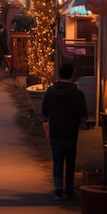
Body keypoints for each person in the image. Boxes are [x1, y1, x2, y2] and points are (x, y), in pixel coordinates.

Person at [41, 62, 88, 200]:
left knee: (57, 161)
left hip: (55, 132)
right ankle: (69, 190)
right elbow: (83, 116)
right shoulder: (78, 94)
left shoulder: (50, 91)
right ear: (73, 75)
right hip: (71, 133)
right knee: (70, 162)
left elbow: (44, 111)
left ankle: (58, 190)